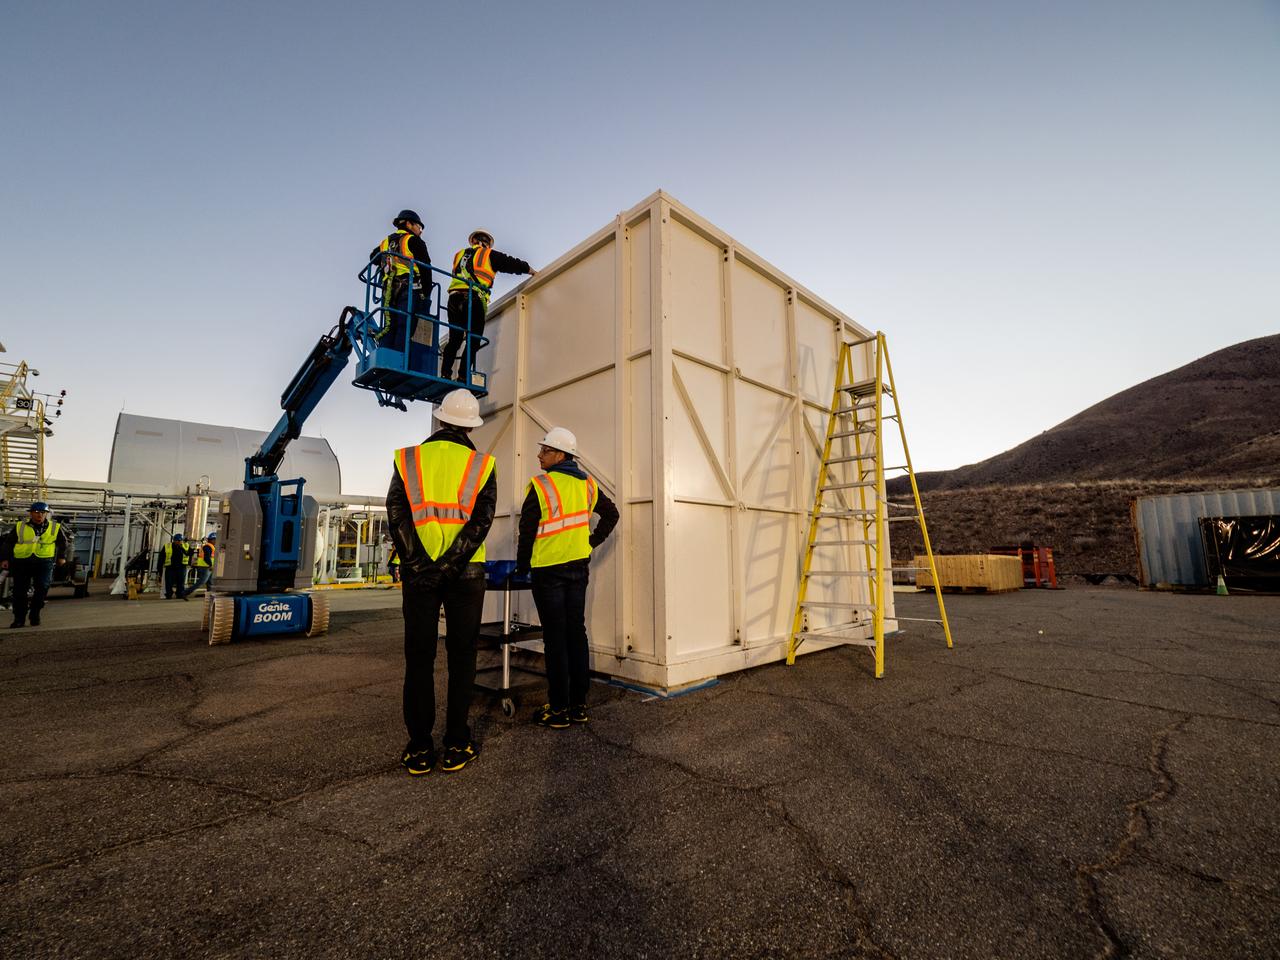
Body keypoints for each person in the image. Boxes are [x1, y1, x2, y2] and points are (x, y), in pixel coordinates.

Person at [386, 388, 496, 775]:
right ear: (471, 427)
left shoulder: (409, 459)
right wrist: (449, 566)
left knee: (419, 658)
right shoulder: (482, 465)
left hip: (419, 573)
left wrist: (420, 564)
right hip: (465, 573)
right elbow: (481, 522)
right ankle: (457, 744)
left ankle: (419, 748)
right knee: (462, 657)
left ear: (440, 419)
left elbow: (396, 513)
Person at [515, 428, 618, 728]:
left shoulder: (541, 485)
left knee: (555, 638)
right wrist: (590, 542)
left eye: (545, 450)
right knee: (576, 633)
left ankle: (559, 709)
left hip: (548, 570)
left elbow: (527, 530)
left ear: (560, 455)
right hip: (577, 569)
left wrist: (522, 567)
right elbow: (611, 514)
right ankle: (579, 705)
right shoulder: (587, 484)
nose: (539, 455)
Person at [441, 229, 536, 382]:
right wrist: (530, 270)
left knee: (455, 339)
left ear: (473, 241)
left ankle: (445, 373)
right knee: (474, 339)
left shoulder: (459, 255)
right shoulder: (488, 254)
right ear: (488, 244)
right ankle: (462, 376)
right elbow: (510, 263)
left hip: (454, 298)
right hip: (473, 299)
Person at [1, 501, 71, 628]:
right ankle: (19, 619)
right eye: (37, 512)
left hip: (44, 562)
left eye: (43, 513)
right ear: (31, 513)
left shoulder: (54, 527)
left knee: (42, 587)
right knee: (19, 591)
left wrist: (62, 557)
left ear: (46, 514)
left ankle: (35, 612)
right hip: (22, 562)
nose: (40, 515)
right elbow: (8, 543)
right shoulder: (20, 526)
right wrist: (5, 559)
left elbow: (63, 543)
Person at [370, 209, 432, 351]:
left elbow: (373, 257)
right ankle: (399, 358)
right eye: (419, 226)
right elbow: (426, 269)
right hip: (409, 288)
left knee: (389, 326)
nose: (420, 231)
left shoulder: (385, 243)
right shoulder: (414, 241)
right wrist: (426, 293)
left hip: (389, 291)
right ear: (409, 224)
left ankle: (386, 356)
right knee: (405, 325)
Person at [183, 533, 216, 598]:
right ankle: (185, 592)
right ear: (212, 540)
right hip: (205, 567)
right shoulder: (207, 547)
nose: (216, 541)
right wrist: (210, 565)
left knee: (210, 582)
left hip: (207, 567)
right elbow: (206, 557)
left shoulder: (210, 546)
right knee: (201, 582)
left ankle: (210, 596)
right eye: (215, 539)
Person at [161, 533, 192, 600]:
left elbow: (190, 554)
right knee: (169, 582)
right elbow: (162, 557)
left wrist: (189, 564)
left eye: (181, 541)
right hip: (170, 567)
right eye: (178, 541)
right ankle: (169, 594)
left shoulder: (186, 546)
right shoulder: (167, 546)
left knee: (180, 582)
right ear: (174, 540)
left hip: (181, 567)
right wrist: (160, 567)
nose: (179, 542)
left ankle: (180, 594)